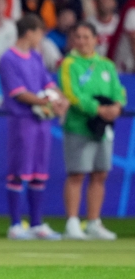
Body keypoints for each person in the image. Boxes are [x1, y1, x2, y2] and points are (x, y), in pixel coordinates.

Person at [0, 14, 69, 240]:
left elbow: (47, 82)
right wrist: (46, 102)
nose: (41, 37)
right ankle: (16, 225)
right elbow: (17, 92)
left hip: (42, 122)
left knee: (39, 172)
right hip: (22, 121)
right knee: (19, 170)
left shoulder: (36, 57)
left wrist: (61, 99)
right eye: (39, 32)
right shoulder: (8, 59)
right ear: (29, 32)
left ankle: (37, 224)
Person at [58, 22, 127, 240]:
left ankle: (94, 221)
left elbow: (119, 89)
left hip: (103, 128)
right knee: (77, 173)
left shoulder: (106, 65)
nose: (82, 41)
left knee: (100, 173)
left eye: (86, 37)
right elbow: (72, 94)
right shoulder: (69, 64)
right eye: (77, 37)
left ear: (96, 39)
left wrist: (117, 106)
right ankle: (72, 222)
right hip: (79, 125)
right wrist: (97, 109)